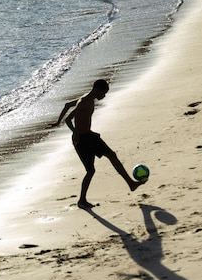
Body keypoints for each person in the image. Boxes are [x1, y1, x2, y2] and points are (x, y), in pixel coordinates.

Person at [52, 79, 144, 208]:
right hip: (82, 140)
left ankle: (131, 183)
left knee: (111, 155)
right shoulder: (85, 101)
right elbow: (69, 119)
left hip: (89, 136)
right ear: (98, 90)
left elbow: (67, 105)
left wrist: (57, 122)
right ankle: (82, 200)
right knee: (90, 170)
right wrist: (75, 132)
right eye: (104, 93)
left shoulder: (87, 98)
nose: (104, 96)